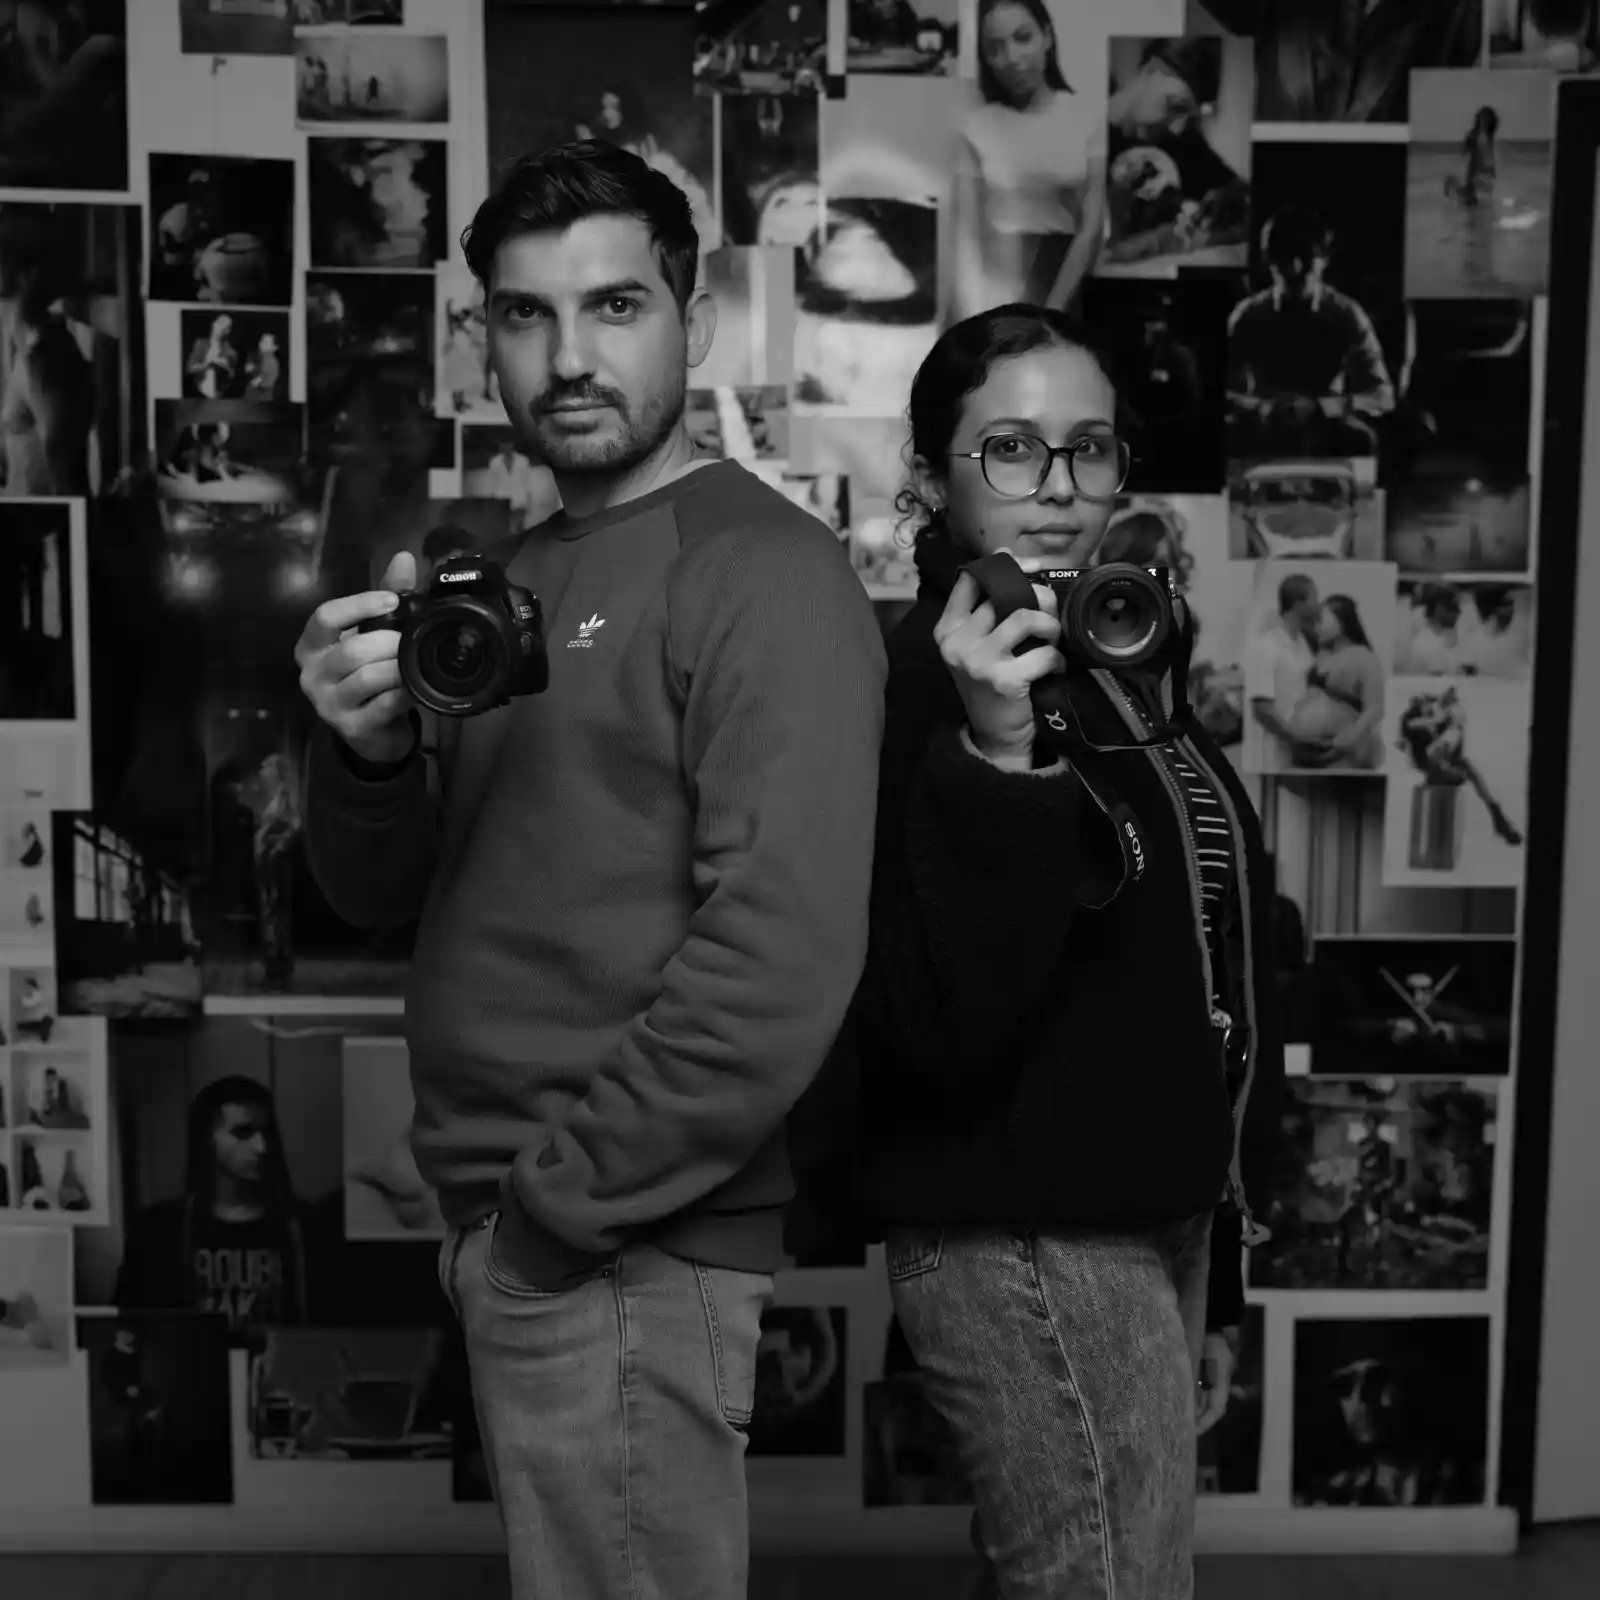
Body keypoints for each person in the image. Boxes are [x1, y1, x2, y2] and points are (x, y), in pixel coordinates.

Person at [292, 140, 884, 1600]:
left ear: (696, 321)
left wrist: (552, 1221)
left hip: (619, 1236)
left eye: (615, 306)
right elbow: (385, 898)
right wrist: (365, 751)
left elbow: (779, 960)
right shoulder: (511, 576)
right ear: (483, 335)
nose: (566, 357)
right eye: (525, 313)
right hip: (522, 1213)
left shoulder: (763, 571)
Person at [839, 304, 1282, 1597]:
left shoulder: (1111, 655)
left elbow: (1199, 979)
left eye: (1089, 448)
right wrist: (996, 753)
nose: (1059, 486)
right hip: (1028, 1238)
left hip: (1147, 1219)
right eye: (1012, 449)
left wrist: (1214, 1275)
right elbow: (937, 1028)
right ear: (932, 477)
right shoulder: (917, 685)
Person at [114, 1075, 316, 1344]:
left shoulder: (307, 1227)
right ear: (207, 1139)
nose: (261, 1147)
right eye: (243, 1132)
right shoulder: (160, 1229)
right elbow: (130, 1326)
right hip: (191, 1366)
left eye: (267, 1132)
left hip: (282, 1367)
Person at [951, 0, 1105, 320]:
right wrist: (977, 309)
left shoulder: (1087, 119)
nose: (1011, 58)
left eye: (1023, 38)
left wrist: (1052, 314)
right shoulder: (976, 128)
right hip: (999, 278)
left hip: (1065, 278)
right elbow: (966, 234)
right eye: (995, 48)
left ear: (1047, 37)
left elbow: (1091, 228)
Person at [1226, 206, 1395, 461]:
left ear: (1324, 259)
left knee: (1360, 441)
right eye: (1283, 258)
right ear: (1267, 259)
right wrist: (1262, 407)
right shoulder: (1248, 315)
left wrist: (1323, 408)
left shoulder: (1346, 315)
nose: (1294, 268)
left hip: (1326, 426)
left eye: (1304, 257)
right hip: (1265, 424)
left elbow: (1382, 396)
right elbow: (1223, 390)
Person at [1288, 594, 1385, 771]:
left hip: (1346, 754)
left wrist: (1353, 734)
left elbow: (1376, 707)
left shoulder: (1364, 657)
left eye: (1321, 620)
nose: (1316, 626)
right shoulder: (1322, 655)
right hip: (1309, 756)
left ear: (1341, 622)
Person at [1245, 572, 1320, 773]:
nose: (1318, 605)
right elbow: (1262, 710)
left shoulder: (1304, 644)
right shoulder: (1265, 646)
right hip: (1276, 756)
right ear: (1298, 604)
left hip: (1303, 756)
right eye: (1314, 598)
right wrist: (1298, 741)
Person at [1449, 106, 1499, 207]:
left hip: (1477, 179)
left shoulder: (1476, 137)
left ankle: (1451, 208)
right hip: (1486, 179)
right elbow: (1489, 162)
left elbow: (1464, 154)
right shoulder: (1490, 139)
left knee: (1451, 183)